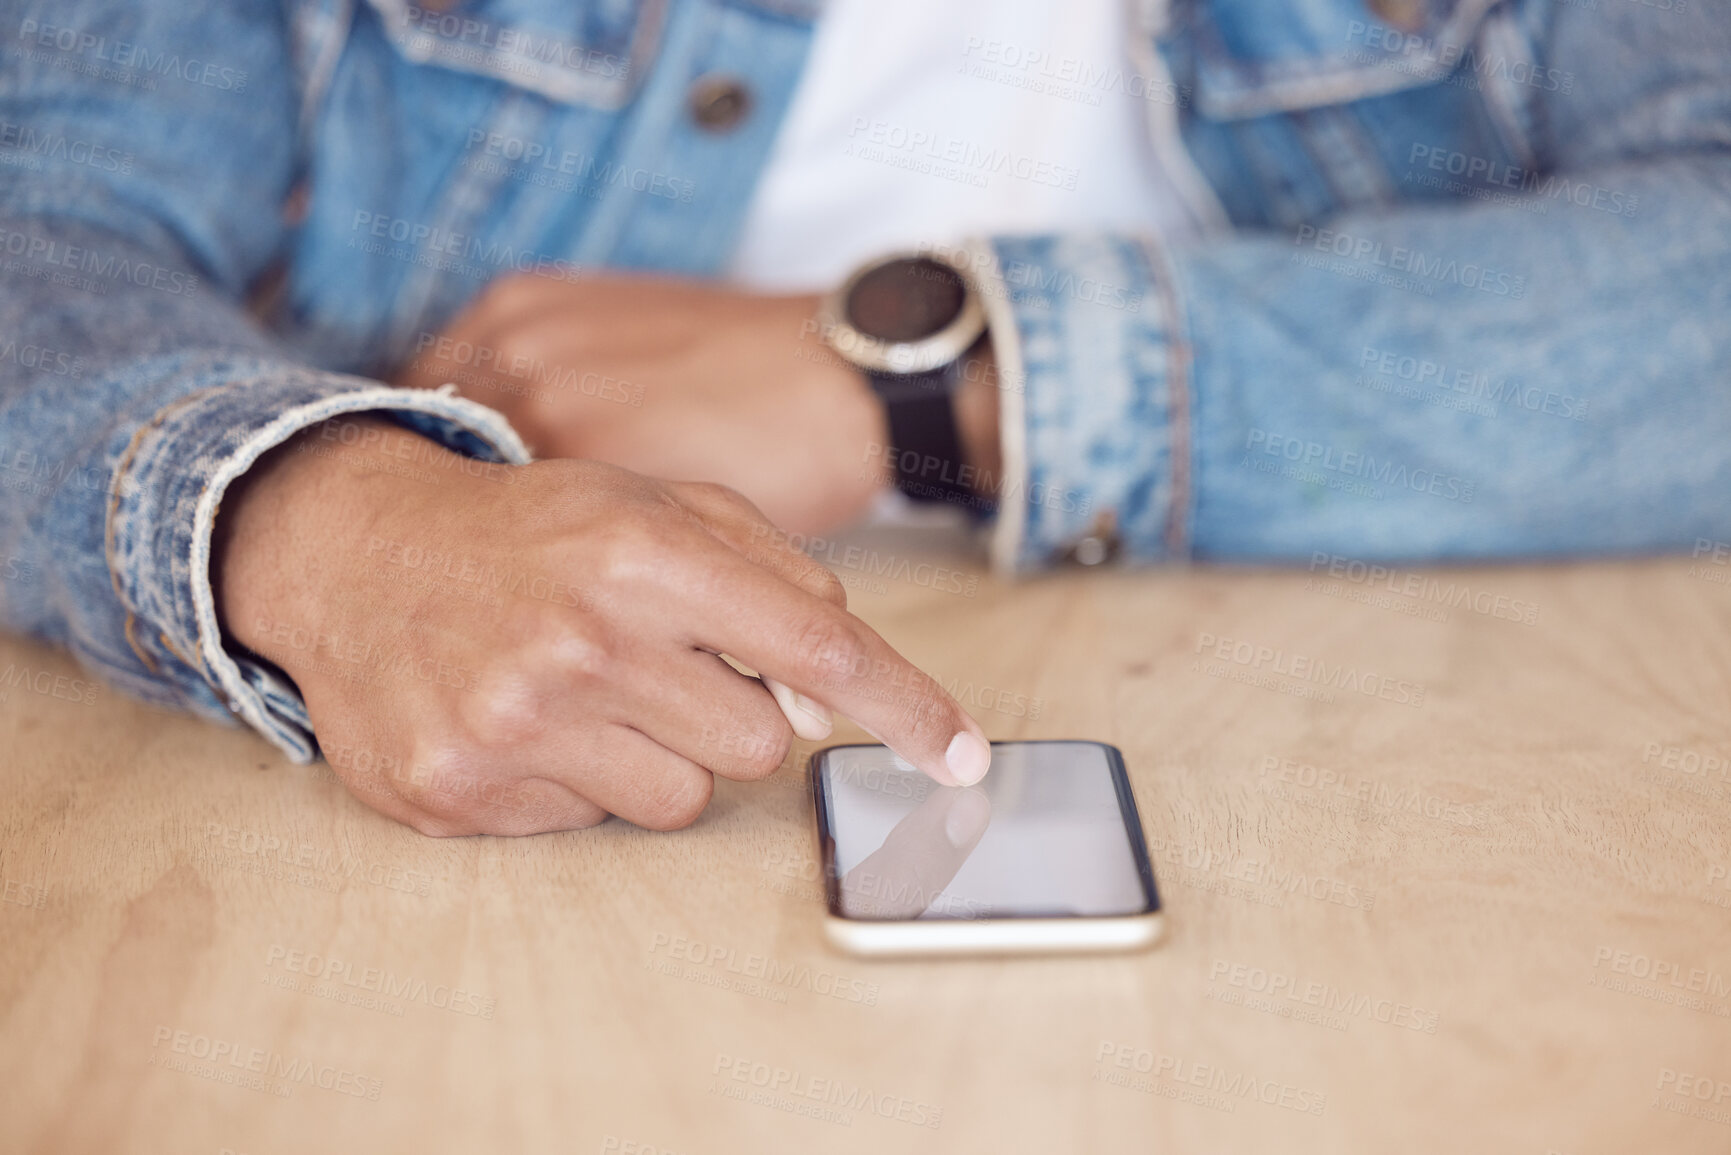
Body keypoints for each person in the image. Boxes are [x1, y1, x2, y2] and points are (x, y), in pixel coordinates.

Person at [2, 0, 1727, 837]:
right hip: (447, 770)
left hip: (1420, 750)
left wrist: (927, 384)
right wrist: (325, 521)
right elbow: (44, 212)